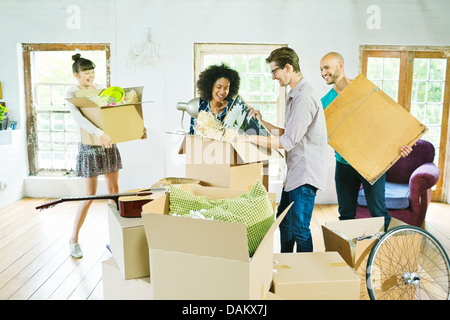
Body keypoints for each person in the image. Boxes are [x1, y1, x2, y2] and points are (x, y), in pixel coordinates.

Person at [237, 47, 328, 252]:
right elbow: (290, 133)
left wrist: (250, 138)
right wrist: (262, 122)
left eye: (274, 72)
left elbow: (287, 141)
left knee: (300, 229)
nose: (273, 77)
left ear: (288, 67)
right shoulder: (295, 94)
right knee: (284, 222)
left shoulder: (304, 97)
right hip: (296, 171)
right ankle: (286, 264)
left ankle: (304, 274)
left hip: (305, 173)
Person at [319, 52, 412, 230]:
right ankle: (351, 254)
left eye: (327, 67)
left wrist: (403, 143)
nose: (323, 73)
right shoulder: (325, 103)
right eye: (321, 69)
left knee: (378, 212)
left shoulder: (365, 90)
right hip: (344, 164)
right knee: (345, 215)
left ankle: (383, 252)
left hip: (372, 162)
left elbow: (387, 120)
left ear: (340, 65)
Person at [65, 54, 146, 258]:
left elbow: (117, 115)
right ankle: (73, 239)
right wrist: (99, 133)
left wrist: (139, 129)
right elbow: (79, 119)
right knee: (89, 196)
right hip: (90, 148)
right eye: (86, 73)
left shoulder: (100, 91)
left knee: (114, 193)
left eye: (92, 71)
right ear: (77, 74)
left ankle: (116, 241)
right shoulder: (73, 92)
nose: (90, 76)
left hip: (108, 145)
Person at [189, 63, 240, 134]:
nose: (222, 92)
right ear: (210, 86)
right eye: (218, 87)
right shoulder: (199, 105)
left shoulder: (234, 106)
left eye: (226, 88)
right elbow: (191, 134)